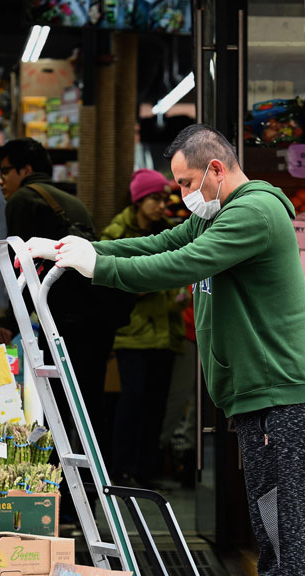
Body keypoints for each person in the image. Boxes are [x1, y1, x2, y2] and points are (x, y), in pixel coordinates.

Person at [25, 124, 305, 576]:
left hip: (278, 391)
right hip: (260, 390)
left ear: (216, 170)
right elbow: (162, 244)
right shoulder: (217, 212)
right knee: (288, 518)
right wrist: (82, 251)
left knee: (278, 524)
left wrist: (102, 271)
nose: (185, 194)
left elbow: (181, 266)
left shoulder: (253, 211)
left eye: (189, 182)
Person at [0, 138, 118, 445]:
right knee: (89, 403)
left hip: (67, 322)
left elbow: (26, 267)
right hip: (95, 318)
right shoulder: (68, 199)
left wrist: (9, 322)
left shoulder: (24, 199)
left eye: (4, 171)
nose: (0, 180)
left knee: (58, 406)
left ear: (25, 170)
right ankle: (97, 483)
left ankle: (57, 485)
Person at [100, 169, 184, 485]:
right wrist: (141, 283)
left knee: (156, 404)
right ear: (138, 200)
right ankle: (119, 469)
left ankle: (146, 472)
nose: (161, 205)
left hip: (166, 331)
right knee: (132, 401)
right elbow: (106, 277)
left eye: (165, 199)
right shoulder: (116, 233)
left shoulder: (170, 232)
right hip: (132, 332)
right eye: (155, 199)